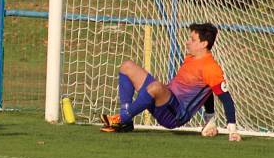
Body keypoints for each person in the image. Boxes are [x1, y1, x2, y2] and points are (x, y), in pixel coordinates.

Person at [101, 22, 241, 141]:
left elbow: (226, 99)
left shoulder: (211, 68)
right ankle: (126, 121)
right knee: (127, 66)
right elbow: (206, 91)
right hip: (164, 100)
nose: (187, 42)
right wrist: (209, 119)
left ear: (203, 43)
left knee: (155, 87)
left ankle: (121, 119)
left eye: (192, 40)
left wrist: (232, 130)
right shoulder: (191, 58)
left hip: (175, 114)